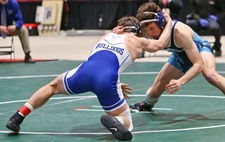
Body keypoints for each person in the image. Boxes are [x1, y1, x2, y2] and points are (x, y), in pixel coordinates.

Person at [5, 15, 173, 141]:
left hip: (85, 72)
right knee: (127, 122)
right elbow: (160, 44)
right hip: (106, 80)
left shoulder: (105, 36)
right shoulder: (136, 40)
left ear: (119, 28)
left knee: (52, 87)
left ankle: (18, 117)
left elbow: (100, 60)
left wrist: (116, 83)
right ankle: (115, 119)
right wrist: (170, 22)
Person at [127, 2, 225, 124]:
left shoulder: (179, 32)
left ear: (161, 22)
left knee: (210, 74)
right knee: (154, 90)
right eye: (147, 30)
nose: (150, 33)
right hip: (180, 53)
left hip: (199, 49)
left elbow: (198, 64)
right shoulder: (147, 29)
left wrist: (181, 81)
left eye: (152, 28)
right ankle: (147, 105)